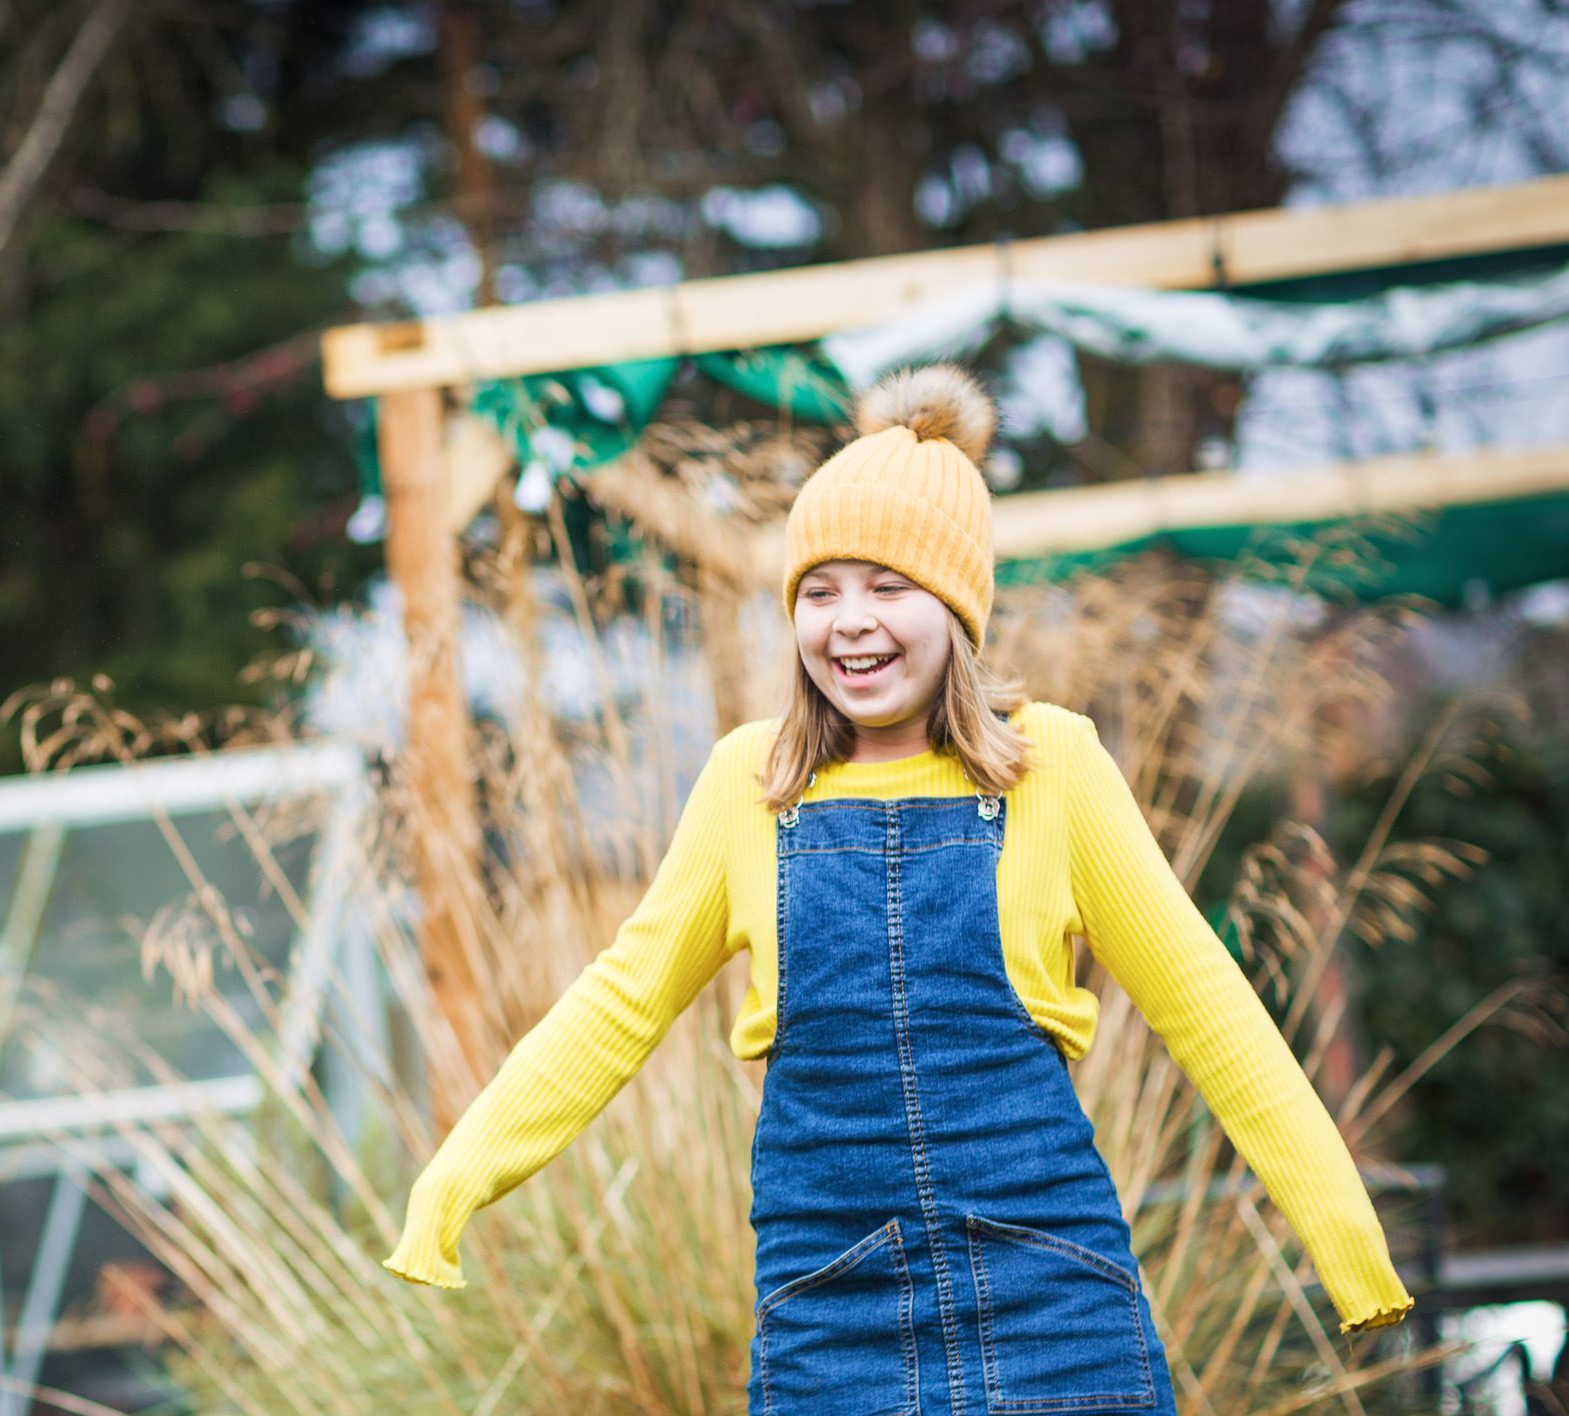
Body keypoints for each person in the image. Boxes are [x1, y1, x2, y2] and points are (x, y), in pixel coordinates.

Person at [380, 363, 1415, 1414]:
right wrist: (457, 1179)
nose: (848, 622)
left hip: (1055, 1302)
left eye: (888, 586)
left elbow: (1208, 1009)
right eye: (818, 591)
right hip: (832, 1318)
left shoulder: (1050, 769)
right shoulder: (751, 784)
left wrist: (1343, 1237)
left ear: (957, 607)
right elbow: (618, 1003)